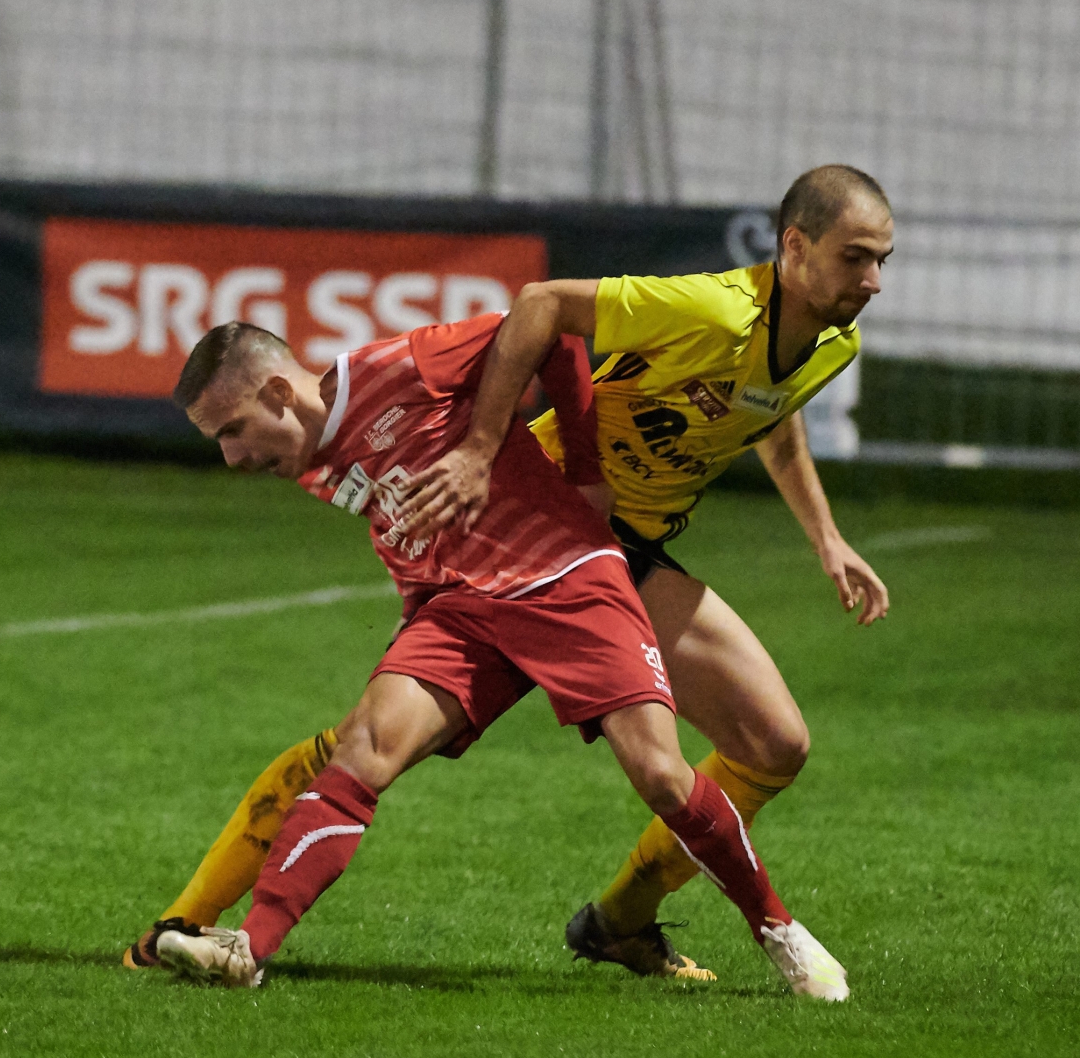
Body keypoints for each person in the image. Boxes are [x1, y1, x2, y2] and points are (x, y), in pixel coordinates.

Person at [127, 163, 894, 981]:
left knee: (719, 758)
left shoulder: (823, 342)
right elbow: (408, 490)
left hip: (571, 555)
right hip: (494, 580)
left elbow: (753, 409)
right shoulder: (308, 456)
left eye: (878, 258)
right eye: (859, 258)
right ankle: (228, 941)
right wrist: (422, 592)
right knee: (359, 747)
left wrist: (823, 535)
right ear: (795, 247)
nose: (873, 279)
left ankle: (695, 924)